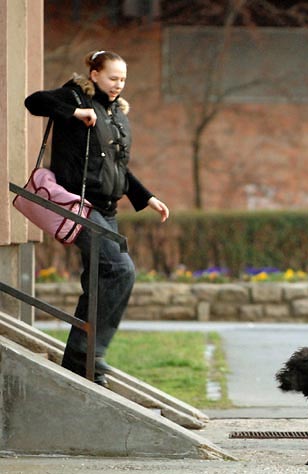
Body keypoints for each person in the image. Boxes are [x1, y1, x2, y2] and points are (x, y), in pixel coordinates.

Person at [25, 50, 169, 387]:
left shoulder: (116, 112)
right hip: (80, 204)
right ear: (94, 75)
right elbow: (34, 101)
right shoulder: (75, 95)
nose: (119, 85)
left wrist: (146, 197)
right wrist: (75, 112)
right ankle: (86, 354)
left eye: (123, 79)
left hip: (107, 208)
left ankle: (81, 359)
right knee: (119, 269)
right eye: (112, 78)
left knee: (101, 281)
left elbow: (117, 167)